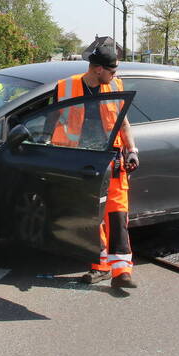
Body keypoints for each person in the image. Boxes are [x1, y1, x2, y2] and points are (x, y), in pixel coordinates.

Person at [53, 36, 140, 290]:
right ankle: (101, 265)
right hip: (81, 163)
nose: (116, 74)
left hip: (112, 162)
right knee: (92, 218)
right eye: (112, 70)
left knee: (117, 216)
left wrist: (132, 150)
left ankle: (122, 271)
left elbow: (123, 123)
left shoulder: (115, 86)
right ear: (98, 69)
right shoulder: (65, 88)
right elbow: (51, 123)